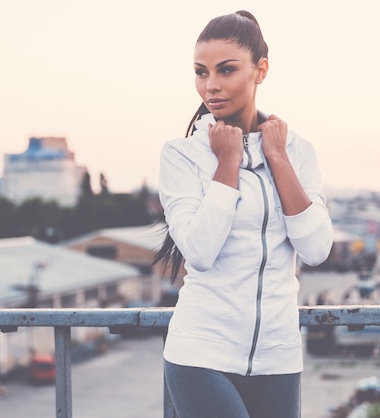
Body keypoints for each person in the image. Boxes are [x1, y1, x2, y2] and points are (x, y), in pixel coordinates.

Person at [154, 10, 334, 418]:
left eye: (226, 70)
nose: (211, 86)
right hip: (201, 351)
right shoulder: (181, 155)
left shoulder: (297, 150)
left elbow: (317, 248)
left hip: (279, 356)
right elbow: (199, 251)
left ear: (260, 70)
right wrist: (227, 162)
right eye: (201, 72)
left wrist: (277, 157)